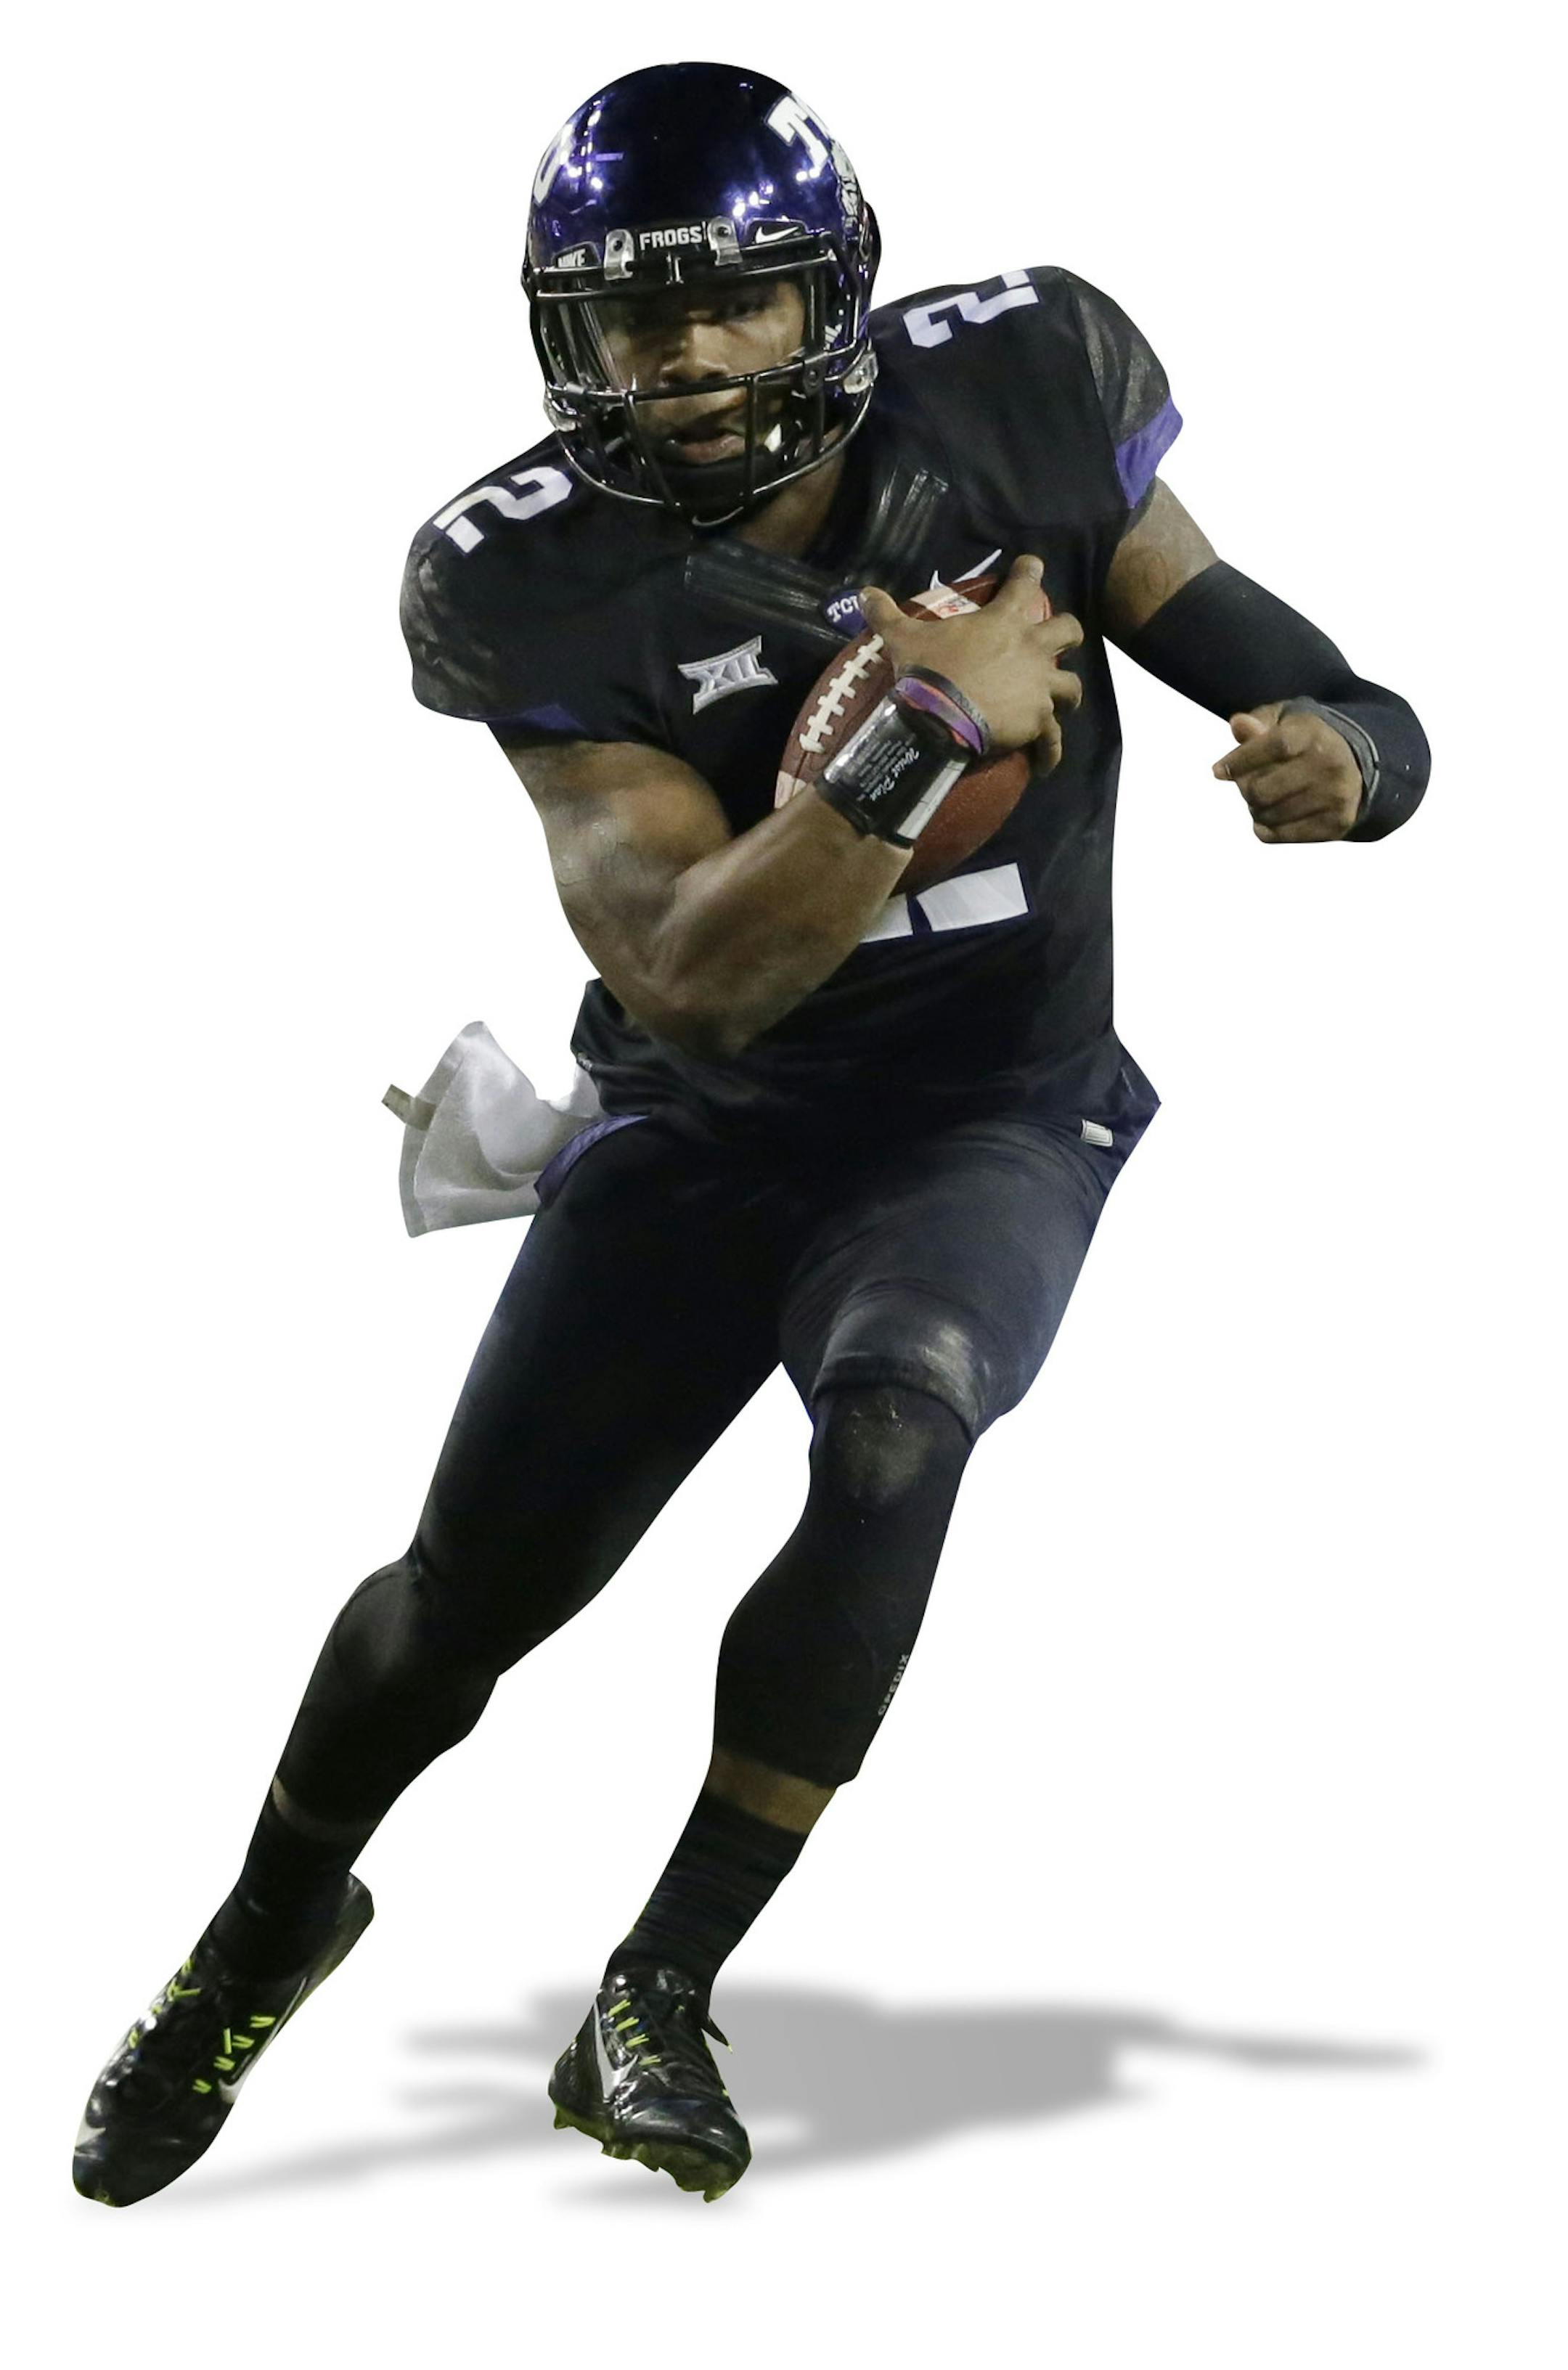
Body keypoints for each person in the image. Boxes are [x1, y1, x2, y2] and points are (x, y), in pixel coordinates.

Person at [73, 58, 1429, 2210]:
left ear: (833, 299)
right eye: (633, 314)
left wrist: (1350, 748)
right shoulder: (522, 573)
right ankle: (264, 1931)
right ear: (567, 332)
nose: (685, 356)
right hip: (702, 1124)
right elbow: (697, 975)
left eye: (735, 301)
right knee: (462, 1606)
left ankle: (663, 1978)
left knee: (904, 1419)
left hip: (990, 1114)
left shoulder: (1025, 388)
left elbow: (1305, 668)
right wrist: (922, 733)